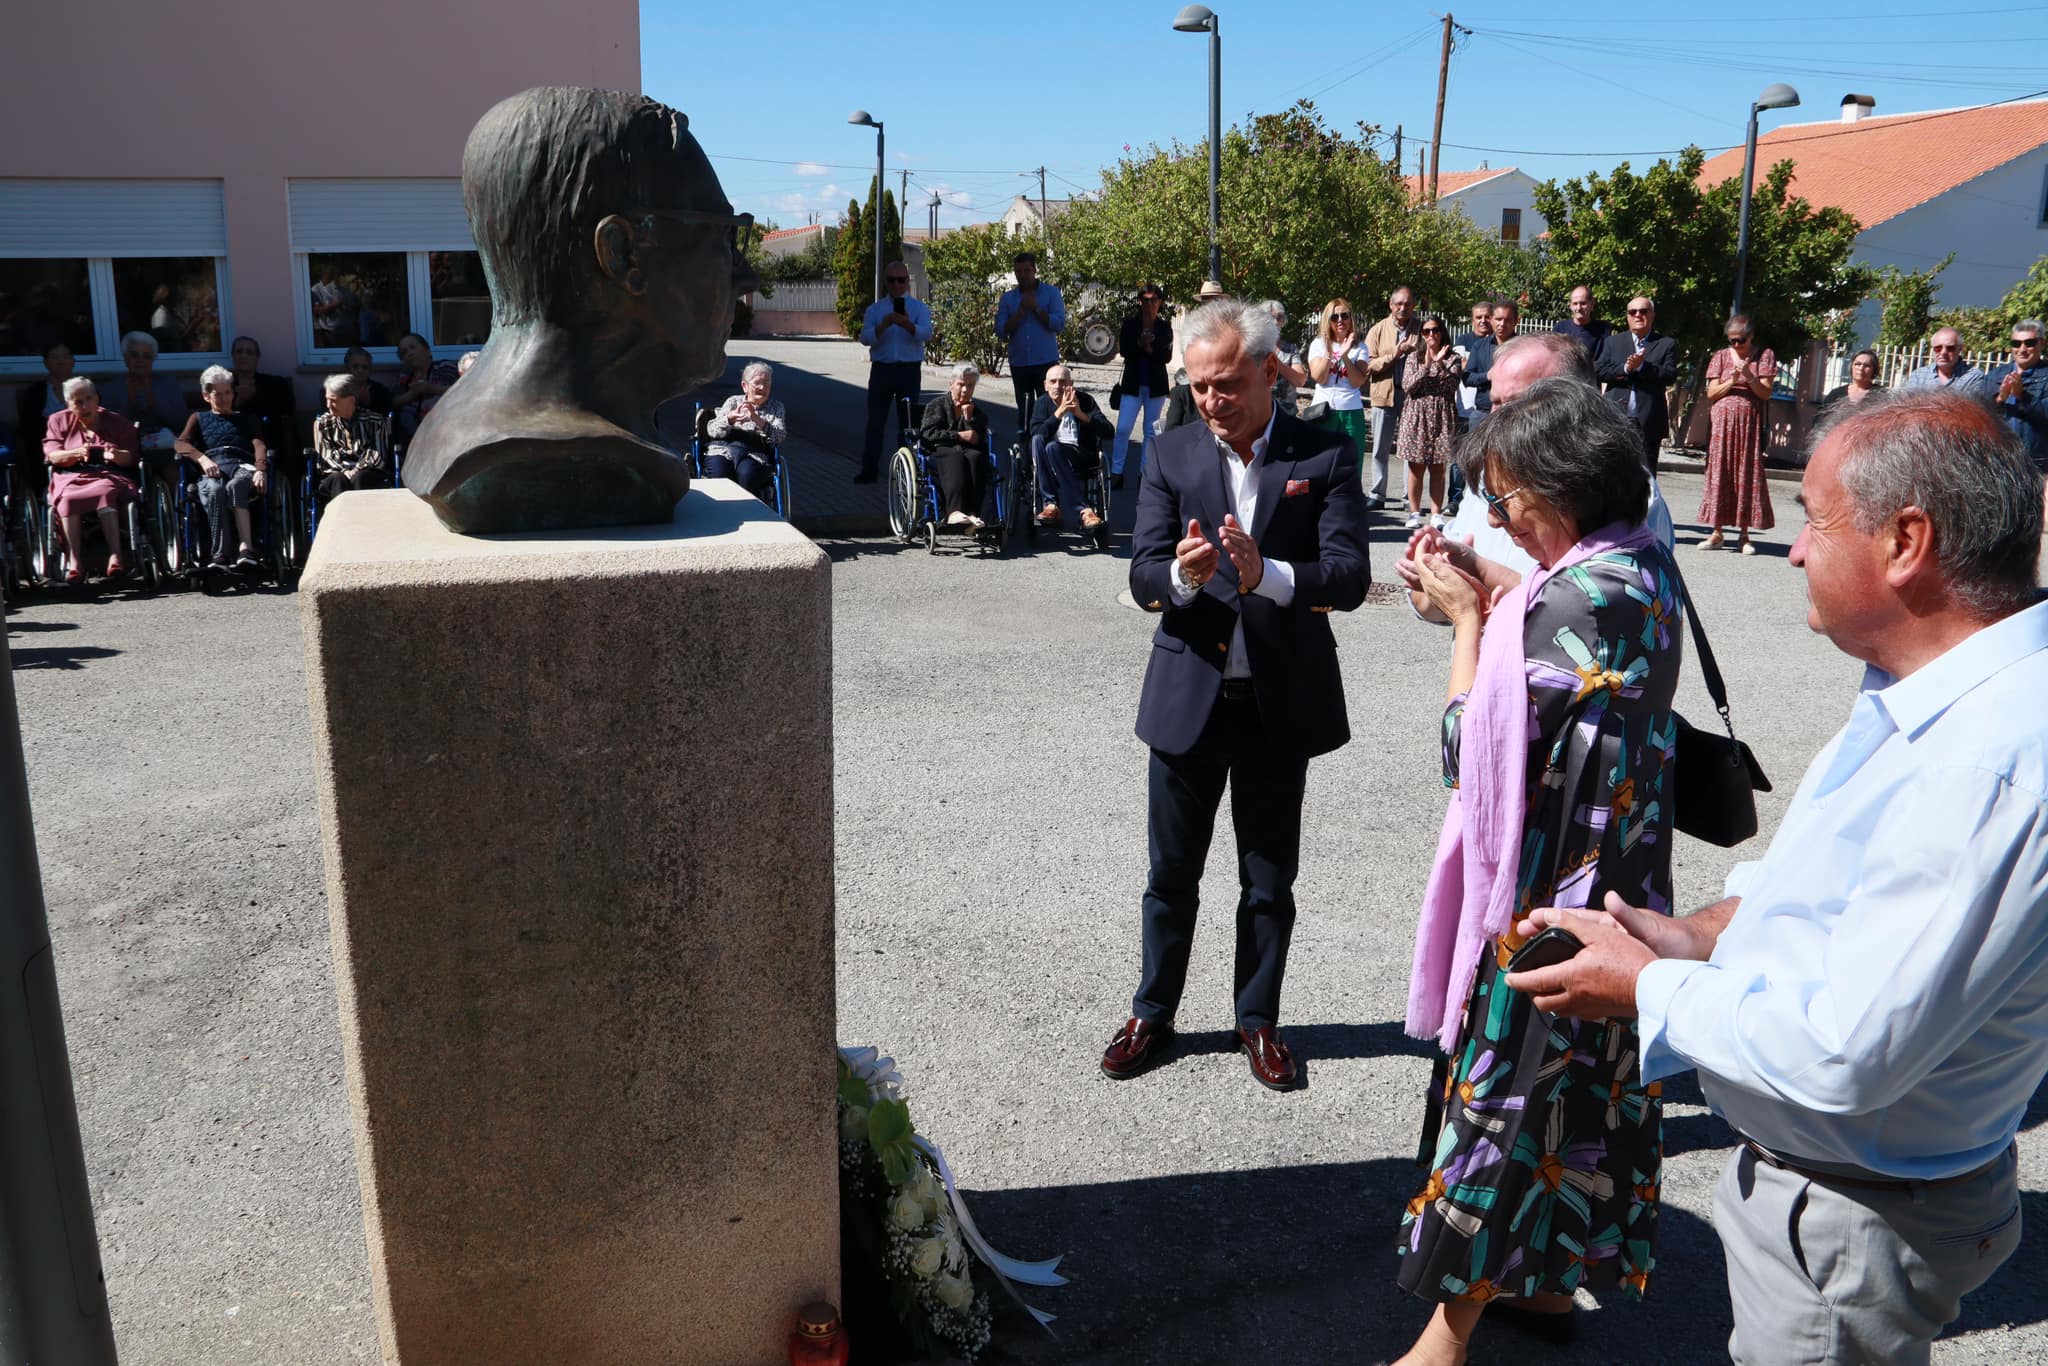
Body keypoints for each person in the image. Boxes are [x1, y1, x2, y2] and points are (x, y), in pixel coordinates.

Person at [1507, 391, 2047, 1366]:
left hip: (1852, 1216)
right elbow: (1839, 876)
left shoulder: (1986, 760)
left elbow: (1847, 1053)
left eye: (1812, 520)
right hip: (1854, 1196)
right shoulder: (1939, 681)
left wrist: (1643, 988)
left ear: (1904, 542)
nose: (1792, 549)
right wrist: (1702, 930)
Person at [1394, 378, 1679, 1366]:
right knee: (1574, 1104)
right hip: (1622, 890)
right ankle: (1550, 1291)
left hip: (1548, 908)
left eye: (1508, 501)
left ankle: (1439, 1343)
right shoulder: (1640, 570)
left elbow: (1462, 752)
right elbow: (1560, 642)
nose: (1505, 517)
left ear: (1557, 494)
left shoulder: (1566, 600)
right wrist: (1503, 594)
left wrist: (1469, 622)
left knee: (1506, 1104)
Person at [1101, 298, 1369, 1093]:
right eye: (1201, 385)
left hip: (1278, 701)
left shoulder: (1323, 455)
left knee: (1267, 880)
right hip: (1190, 696)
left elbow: (1350, 577)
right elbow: (1142, 568)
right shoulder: (1173, 453)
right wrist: (1179, 579)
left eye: (1227, 384)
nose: (1213, 400)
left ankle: (1258, 1021)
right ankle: (1153, 1012)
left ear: (1268, 369)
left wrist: (1268, 576)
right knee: (1170, 875)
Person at [399, 88, 757, 535]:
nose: (745, 278)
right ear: (623, 254)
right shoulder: (565, 458)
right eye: (723, 238)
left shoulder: (449, 432)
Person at [1396, 334, 1676, 625]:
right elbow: (1442, 607)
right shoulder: (1486, 475)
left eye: (1517, 404)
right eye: (1494, 402)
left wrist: (1481, 575)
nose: (1497, 420)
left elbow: (1602, 621)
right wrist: (1431, 585)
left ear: (1576, 401)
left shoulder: (1620, 491)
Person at [41, 378, 142, 582]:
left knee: (104, 491)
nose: (85, 406)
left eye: (89, 399)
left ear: (97, 398)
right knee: (67, 499)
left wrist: (115, 455)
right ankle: (75, 561)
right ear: (68, 403)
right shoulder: (57, 421)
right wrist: (78, 452)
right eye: (77, 401)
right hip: (72, 476)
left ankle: (116, 556)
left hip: (108, 474)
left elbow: (133, 457)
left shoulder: (117, 421)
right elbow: (52, 456)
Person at [175, 364, 270, 571]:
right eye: (218, 394)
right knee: (215, 490)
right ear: (206, 396)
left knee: (237, 485)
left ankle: (246, 550)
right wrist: (202, 459)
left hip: (241, 464)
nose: (225, 398)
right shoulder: (198, 418)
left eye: (228, 393)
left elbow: (259, 444)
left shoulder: (247, 418)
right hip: (213, 465)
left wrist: (261, 469)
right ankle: (220, 554)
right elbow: (181, 443)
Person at [1699, 314, 1777, 554]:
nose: (1736, 344)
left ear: (1751, 336)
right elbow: (1712, 394)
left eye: (1740, 339)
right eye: (1731, 340)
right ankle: (1717, 532)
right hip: (1722, 425)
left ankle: (1744, 535)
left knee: (1746, 473)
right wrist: (1731, 380)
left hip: (1748, 425)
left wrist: (1749, 376)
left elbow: (1765, 393)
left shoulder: (1765, 355)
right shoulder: (1720, 357)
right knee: (1720, 472)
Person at [857, 262, 931, 484]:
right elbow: (865, 338)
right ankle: (869, 470)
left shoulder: (919, 308)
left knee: (907, 424)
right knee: (875, 422)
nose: (897, 284)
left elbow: (926, 334)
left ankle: (904, 473)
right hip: (882, 370)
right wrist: (886, 324)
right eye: (892, 280)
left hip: (909, 370)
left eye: (901, 280)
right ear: (886, 282)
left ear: (907, 281)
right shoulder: (876, 310)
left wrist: (908, 325)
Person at [1028, 363, 1113, 538]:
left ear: (1071, 384)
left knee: (1053, 448)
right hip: (1049, 458)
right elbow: (1036, 433)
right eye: (1053, 381)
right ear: (1045, 385)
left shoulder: (1085, 400)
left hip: (1081, 455)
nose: (1058, 386)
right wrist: (1059, 413)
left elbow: (1108, 431)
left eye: (1062, 381)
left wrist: (1081, 414)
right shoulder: (1042, 403)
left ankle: (1082, 509)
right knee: (1044, 443)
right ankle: (1053, 505)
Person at [1596, 297, 1679, 474]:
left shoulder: (1665, 344)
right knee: (1612, 473)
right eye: (1633, 312)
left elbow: (1669, 375)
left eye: (1643, 311)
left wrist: (1642, 367)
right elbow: (1600, 370)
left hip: (1648, 421)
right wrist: (1626, 368)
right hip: (1616, 418)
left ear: (1652, 315)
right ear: (1627, 317)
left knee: (1645, 476)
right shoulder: (1613, 342)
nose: (1638, 315)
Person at [1397, 318, 1462, 530]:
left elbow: (1452, 385)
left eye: (1435, 330)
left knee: (1438, 467)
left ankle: (1435, 513)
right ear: (1421, 334)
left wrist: (1440, 364)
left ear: (1442, 332)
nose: (1431, 335)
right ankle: (1414, 513)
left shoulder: (1454, 358)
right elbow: (1409, 386)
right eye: (1426, 331)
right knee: (1416, 467)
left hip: (1441, 415)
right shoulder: (1413, 358)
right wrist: (1427, 365)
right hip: (1417, 415)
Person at [995, 252, 1065, 437]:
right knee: (1024, 408)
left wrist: (1036, 309)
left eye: (1026, 270)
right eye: (1018, 271)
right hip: (1020, 363)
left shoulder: (1051, 293)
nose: (1022, 275)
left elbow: (1059, 324)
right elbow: (1000, 331)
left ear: (1034, 270)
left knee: (1049, 406)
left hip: (1046, 362)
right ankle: (1026, 449)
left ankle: (1048, 443)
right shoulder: (1008, 299)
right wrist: (1019, 313)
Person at [1363, 286, 1419, 510]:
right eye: (1399, 304)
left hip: (1413, 396)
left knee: (1410, 448)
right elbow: (1368, 365)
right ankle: (1377, 494)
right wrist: (1394, 355)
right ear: (1391, 305)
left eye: (1407, 304)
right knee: (1380, 448)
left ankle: (1409, 497)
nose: (1403, 308)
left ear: (1413, 306)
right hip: (1384, 393)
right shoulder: (1377, 330)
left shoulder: (1422, 329)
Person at [100, 332, 188, 473]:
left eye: (146, 356)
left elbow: (180, 422)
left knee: (170, 466)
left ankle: (177, 495)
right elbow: (108, 427)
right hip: (126, 447)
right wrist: (129, 400)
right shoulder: (112, 388)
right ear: (126, 358)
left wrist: (152, 398)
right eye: (135, 355)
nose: (140, 360)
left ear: (152, 360)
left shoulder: (168, 383)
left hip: (162, 445)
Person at [1112, 285, 1172, 491]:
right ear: (1139, 302)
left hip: (1155, 386)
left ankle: (1144, 475)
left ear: (1160, 303)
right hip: (1132, 384)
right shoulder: (1130, 324)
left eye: (1154, 300)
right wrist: (1139, 343)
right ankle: (1116, 472)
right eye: (1145, 300)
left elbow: (1166, 356)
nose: (1149, 304)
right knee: (1122, 429)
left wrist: (1148, 348)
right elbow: (1126, 351)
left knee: (1150, 432)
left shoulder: (1164, 327)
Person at [702, 360, 786, 504]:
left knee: (747, 475)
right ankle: (720, 513)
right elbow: (711, 430)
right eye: (757, 383)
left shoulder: (776, 407)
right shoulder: (733, 402)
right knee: (720, 475)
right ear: (745, 386)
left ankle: (748, 512)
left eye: (767, 383)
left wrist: (756, 418)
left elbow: (779, 436)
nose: (762, 387)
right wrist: (729, 419)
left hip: (754, 453)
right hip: (723, 448)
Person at [918, 363, 991, 528]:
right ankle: (954, 512)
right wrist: (957, 435)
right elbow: (928, 434)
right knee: (955, 456)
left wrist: (969, 420)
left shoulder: (977, 411)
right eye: (961, 384)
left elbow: (982, 438)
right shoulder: (936, 405)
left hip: (967, 452)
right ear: (951, 384)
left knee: (976, 457)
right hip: (939, 451)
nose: (965, 390)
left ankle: (973, 513)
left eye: (970, 385)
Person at [311, 373, 393, 511]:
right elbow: (325, 456)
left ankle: (362, 519)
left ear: (350, 400)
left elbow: (377, 455)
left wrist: (356, 469)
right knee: (338, 479)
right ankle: (340, 521)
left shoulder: (375, 422)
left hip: (366, 472)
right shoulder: (323, 424)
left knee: (360, 478)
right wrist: (344, 471)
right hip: (335, 473)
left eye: (333, 400)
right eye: (327, 400)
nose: (328, 405)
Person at [1307, 298, 1370, 468]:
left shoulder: (1361, 347)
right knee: (1320, 462)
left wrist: (1344, 356)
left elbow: (1357, 381)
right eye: (1334, 318)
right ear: (1328, 321)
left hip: (1351, 411)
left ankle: (1350, 495)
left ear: (1351, 319)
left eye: (1344, 316)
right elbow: (1319, 377)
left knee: (1351, 463)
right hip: (1323, 412)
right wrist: (1329, 352)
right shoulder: (1318, 345)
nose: (1340, 320)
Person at [227, 335, 300, 475]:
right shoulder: (224, 385)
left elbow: (286, 414)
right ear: (233, 356)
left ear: (257, 357)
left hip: (269, 438)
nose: (244, 356)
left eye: (249, 352)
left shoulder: (275, 384)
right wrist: (239, 402)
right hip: (235, 438)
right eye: (239, 351)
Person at [13, 341, 74, 489]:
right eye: (55, 357)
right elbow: (29, 427)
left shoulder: (86, 390)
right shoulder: (35, 392)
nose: (61, 361)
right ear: (46, 363)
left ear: (73, 362)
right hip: (46, 444)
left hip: (78, 441)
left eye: (65, 357)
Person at [1990, 317, 2047, 469]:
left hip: (2037, 464)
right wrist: (2000, 399)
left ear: (2042, 343)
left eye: (2029, 343)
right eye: (2016, 343)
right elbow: (1982, 413)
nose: (2022, 349)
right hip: (2000, 461)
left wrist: (2022, 396)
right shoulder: (1995, 375)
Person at [390, 332, 458, 444]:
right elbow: (393, 402)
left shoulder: (444, 367)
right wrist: (412, 394)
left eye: (412, 347)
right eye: (404, 352)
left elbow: (460, 390)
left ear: (427, 350)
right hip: (413, 439)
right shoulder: (405, 377)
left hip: (444, 433)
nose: (409, 353)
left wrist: (431, 389)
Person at [1900, 326, 1991, 399]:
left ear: (1960, 349)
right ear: (1933, 350)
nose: (1943, 352)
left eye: (1950, 348)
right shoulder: (1919, 375)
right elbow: (1908, 404)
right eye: (1938, 348)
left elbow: (1972, 410)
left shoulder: (1973, 377)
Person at [1262, 299, 1309, 415]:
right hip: (1259, 414)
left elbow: (1300, 380)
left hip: (1286, 414)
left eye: (1279, 318)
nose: (1275, 322)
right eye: (1270, 317)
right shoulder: (1254, 348)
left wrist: (1276, 362)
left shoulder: (1290, 349)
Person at [1452, 303, 1492, 429]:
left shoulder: (1498, 342)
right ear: (1472, 320)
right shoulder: (1462, 341)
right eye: (1479, 317)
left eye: (1487, 317)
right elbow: (1461, 368)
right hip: (1466, 409)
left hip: (1491, 408)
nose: (1483, 321)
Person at [1552, 285, 1612, 360]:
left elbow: (1606, 359)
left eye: (1583, 303)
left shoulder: (1603, 329)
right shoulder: (1560, 328)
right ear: (1570, 306)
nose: (1578, 308)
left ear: (1592, 304)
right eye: (1575, 304)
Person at [343, 347, 395, 416]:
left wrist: (368, 404)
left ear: (370, 370)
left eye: (364, 367)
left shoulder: (380, 391)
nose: (360, 370)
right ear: (347, 369)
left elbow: (386, 420)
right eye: (355, 366)